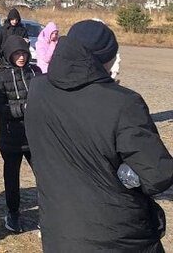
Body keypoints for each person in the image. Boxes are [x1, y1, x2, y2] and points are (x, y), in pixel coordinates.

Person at [26, 20, 173, 251]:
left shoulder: (37, 89)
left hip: (60, 231)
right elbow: (157, 174)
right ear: (107, 59)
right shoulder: (123, 103)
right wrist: (128, 173)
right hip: (119, 236)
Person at [0, 35, 40, 233]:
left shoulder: (35, 72)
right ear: (9, 54)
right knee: (12, 178)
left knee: (43, 176)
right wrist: (21, 108)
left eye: (24, 53)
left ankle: (47, 212)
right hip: (11, 139)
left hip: (34, 137)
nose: (21, 57)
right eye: (17, 53)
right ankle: (13, 213)